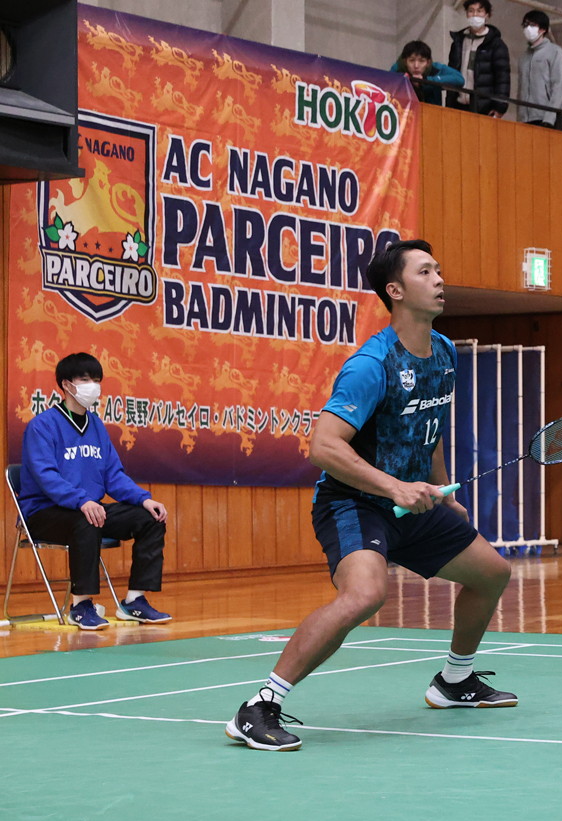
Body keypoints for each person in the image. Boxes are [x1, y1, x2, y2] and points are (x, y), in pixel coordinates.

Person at [226, 240, 515, 751]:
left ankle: (454, 681)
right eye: (425, 272)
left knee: (492, 572)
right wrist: (395, 486)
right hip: (355, 503)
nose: (439, 279)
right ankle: (259, 706)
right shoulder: (371, 364)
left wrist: (442, 489)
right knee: (364, 595)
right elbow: (322, 446)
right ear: (395, 291)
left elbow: (430, 425)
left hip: (415, 504)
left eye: (439, 269)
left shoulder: (444, 352)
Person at [18, 353, 171, 630]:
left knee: (150, 518)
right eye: (85, 379)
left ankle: (135, 601)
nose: (93, 386)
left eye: (97, 380)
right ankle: (81, 605)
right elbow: (46, 476)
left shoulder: (97, 426)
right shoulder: (42, 426)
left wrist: (144, 499)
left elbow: (113, 475)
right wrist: (82, 501)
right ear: (66, 385)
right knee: (86, 519)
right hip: (44, 513)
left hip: (88, 508)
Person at [447, 0, 510, 118]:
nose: (475, 15)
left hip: (483, 107)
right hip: (457, 104)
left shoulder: (496, 44)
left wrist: (500, 107)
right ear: (466, 14)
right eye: (471, 11)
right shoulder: (458, 41)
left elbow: (502, 78)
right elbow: (451, 72)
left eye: (479, 11)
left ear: (487, 15)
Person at [518, 10, 562, 128]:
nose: (528, 28)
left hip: (549, 118)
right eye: (525, 25)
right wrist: (520, 118)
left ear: (543, 29)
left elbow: (559, 85)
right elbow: (521, 89)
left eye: (532, 25)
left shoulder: (555, 52)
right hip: (526, 119)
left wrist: (550, 117)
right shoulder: (524, 57)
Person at [391, 40, 465, 106]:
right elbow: (387, 85)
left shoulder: (435, 68)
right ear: (405, 61)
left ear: (428, 62)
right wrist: (404, 81)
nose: (416, 66)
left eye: (421, 61)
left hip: (432, 112)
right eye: (411, 60)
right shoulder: (397, 69)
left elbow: (459, 79)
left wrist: (427, 80)